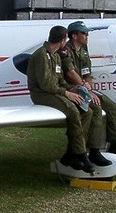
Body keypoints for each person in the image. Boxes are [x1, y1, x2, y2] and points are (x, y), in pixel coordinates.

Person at [26, 25, 108, 172]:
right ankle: (80, 154)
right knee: (72, 111)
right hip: (41, 94)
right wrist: (67, 93)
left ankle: (72, 153)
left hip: (54, 91)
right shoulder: (41, 55)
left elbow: (60, 80)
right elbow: (46, 85)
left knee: (87, 111)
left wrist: (72, 88)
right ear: (62, 40)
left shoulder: (56, 56)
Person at [60, 20, 116, 160]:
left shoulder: (83, 52)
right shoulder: (65, 51)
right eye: (84, 33)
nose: (87, 36)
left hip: (83, 89)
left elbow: (87, 74)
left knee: (112, 107)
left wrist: (89, 88)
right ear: (74, 36)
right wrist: (86, 89)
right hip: (71, 90)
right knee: (96, 109)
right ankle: (94, 150)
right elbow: (70, 73)